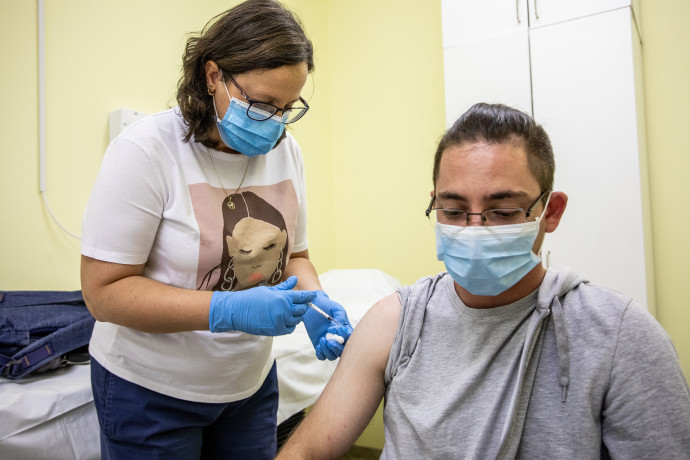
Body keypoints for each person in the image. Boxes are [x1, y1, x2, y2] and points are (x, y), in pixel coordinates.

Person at [277, 103, 690, 459]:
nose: (474, 230)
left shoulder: (620, 338)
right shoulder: (397, 320)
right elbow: (308, 449)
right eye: (454, 212)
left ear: (550, 211)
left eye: (504, 212)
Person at [79, 1, 352, 458]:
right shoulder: (145, 152)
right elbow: (103, 293)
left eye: (287, 108)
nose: (275, 123)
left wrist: (315, 301)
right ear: (213, 76)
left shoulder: (288, 152)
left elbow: (296, 258)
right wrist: (225, 309)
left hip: (248, 386)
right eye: (261, 104)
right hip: (150, 394)